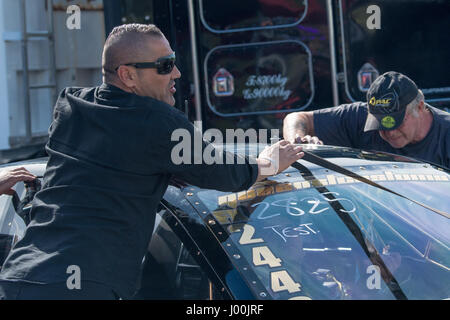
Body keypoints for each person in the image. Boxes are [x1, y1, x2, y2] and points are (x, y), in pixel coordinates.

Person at [0, 24, 304, 300]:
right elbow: (228, 174)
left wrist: (155, 167)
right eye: (165, 66)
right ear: (128, 75)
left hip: (17, 279)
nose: (177, 74)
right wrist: (267, 163)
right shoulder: (157, 122)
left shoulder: (71, 106)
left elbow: (100, 162)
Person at [283, 71, 450, 168]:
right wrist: (297, 142)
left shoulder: (446, 134)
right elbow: (296, 117)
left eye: (396, 122)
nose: (390, 132)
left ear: (419, 107)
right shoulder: (358, 116)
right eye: (380, 124)